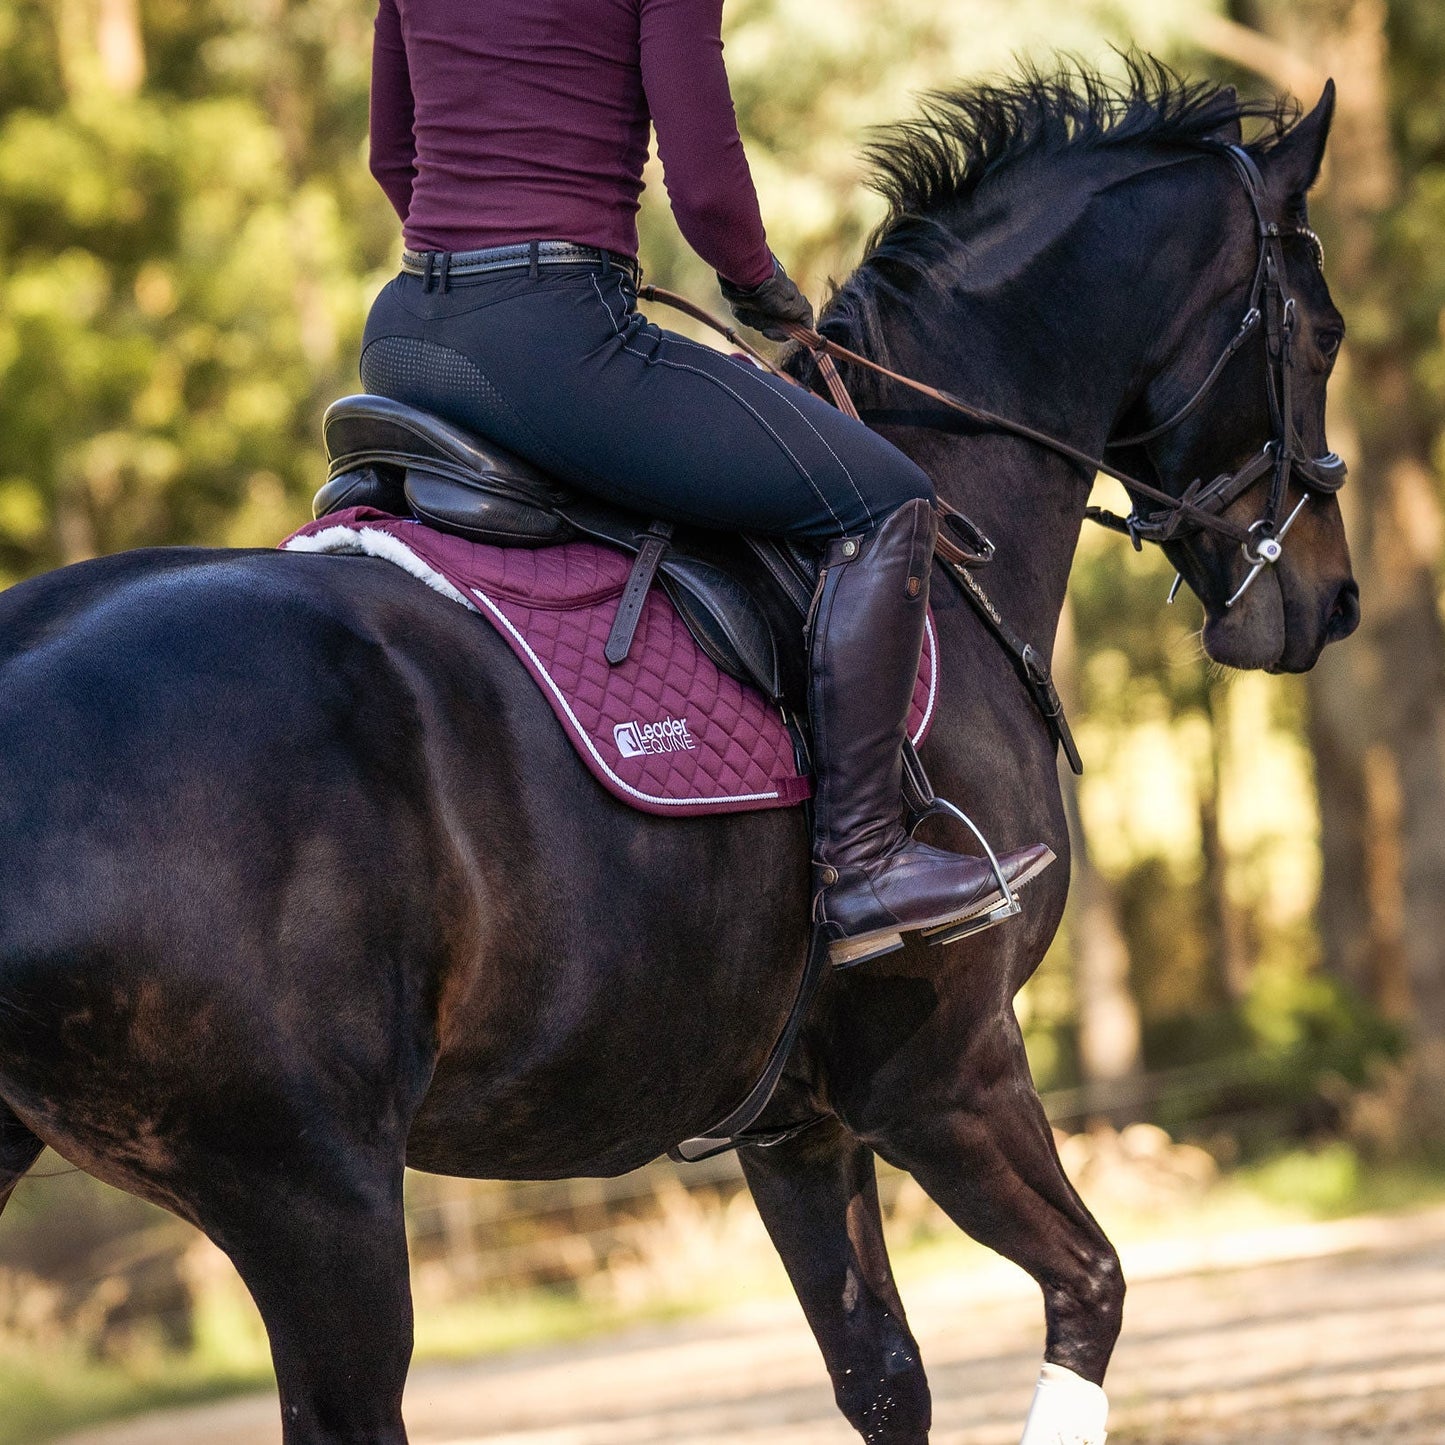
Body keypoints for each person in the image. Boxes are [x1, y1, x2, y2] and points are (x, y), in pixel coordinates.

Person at [361, 0, 1051, 967]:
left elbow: (393, 155)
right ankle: (864, 863)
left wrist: (472, 271)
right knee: (886, 499)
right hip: (558, 343)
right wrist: (759, 282)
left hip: (405, 335)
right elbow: (708, 192)